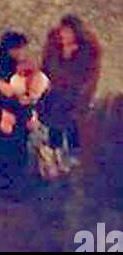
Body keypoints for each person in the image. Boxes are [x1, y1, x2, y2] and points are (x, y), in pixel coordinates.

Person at [41, 15, 101, 164]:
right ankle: (55, 153)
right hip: (55, 94)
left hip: (75, 96)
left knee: (73, 128)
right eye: (63, 31)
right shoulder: (54, 42)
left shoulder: (88, 49)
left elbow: (91, 77)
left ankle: (74, 156)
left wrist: (82, 100)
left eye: (69, 32)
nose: (64, 36)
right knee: (54, 127)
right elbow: (46, 63)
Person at [0, 30, 32, 194]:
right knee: (9, 152)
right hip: (8, 120)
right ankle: (8, 186)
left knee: (13, 151)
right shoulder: (5, 71)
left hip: (14, 119)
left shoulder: (15, 67)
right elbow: (5, 96)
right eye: (19, 49)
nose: (22, 52)